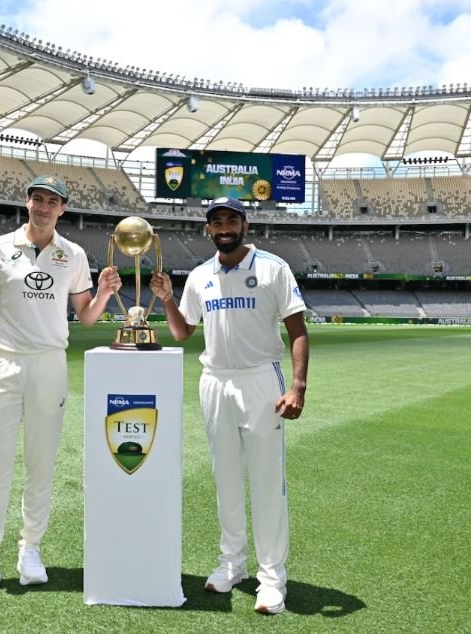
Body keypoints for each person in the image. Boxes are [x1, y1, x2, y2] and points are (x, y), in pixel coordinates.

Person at [0, 175, 121, 602]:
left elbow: (85, 317)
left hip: (50, 365)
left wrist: (101, 294)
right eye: (37, 198)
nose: (44, 206)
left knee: (41, 466)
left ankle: (31, 550)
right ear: (27, 202)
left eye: (53, 201)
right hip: (4, 363)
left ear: (62, 209)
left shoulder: (73, 255)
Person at [150, 197, 309, 615]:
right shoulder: (200, 276)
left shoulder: (273, 268)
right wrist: (167, 298)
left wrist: (298, 386)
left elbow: (297, 328)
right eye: (217, 221)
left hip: (261, 379)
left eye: (231, 220)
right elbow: (184, 331)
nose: (224, 227)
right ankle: (232, 564)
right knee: (226, 478)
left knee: (266, 481)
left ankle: (272, 578)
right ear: (208, 229)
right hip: (215, 380)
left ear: (245, 224)